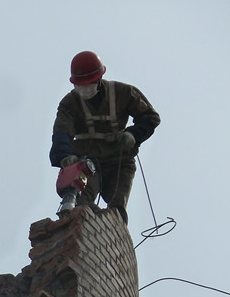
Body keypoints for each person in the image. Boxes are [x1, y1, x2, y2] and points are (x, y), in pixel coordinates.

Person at [50, 51, 160, 224]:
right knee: (81, 204)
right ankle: (85, 234)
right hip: (88, 162)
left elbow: (150, 118)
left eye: (88, 85)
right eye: (80, 86)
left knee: (117, 211)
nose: (84, 90)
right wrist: (64, 156)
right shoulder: (69, 104)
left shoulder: (123, 93)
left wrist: (133, 134)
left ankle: (113, 240)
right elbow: (61, 133)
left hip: (120, 160)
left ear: (99, 79)